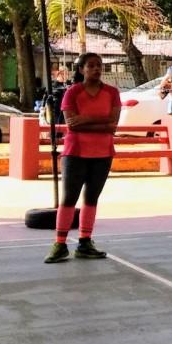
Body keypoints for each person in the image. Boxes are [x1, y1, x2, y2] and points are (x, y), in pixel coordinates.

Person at [45, 53, 120, 264]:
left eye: (99, 65)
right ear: (81, 70)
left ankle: (85, 242)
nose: (96, 69)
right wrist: (100, 122)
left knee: (91, 198)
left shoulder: (112, 93)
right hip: (75, 152)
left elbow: (113, 124)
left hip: (103, 152)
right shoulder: (73, 92)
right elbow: (72, 124)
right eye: (91, 66)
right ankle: (60, 244)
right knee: (69, 198)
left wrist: (85, 120)